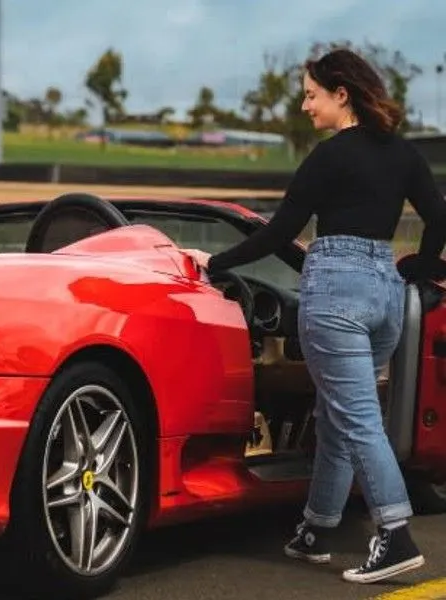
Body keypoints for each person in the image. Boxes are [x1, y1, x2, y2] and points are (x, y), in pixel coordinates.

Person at [186, 48, 446, 584]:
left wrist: (216, 263)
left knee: (355, 420)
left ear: (340, 93)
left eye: (310, 94)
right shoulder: (402, 155)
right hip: (386, 295)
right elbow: (440, 216)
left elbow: (281, 232)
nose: (306, 106)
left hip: (337, 293)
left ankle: (394, 534)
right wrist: (421, 264)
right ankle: (316, 528)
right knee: (336, 418)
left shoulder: (328, 157)